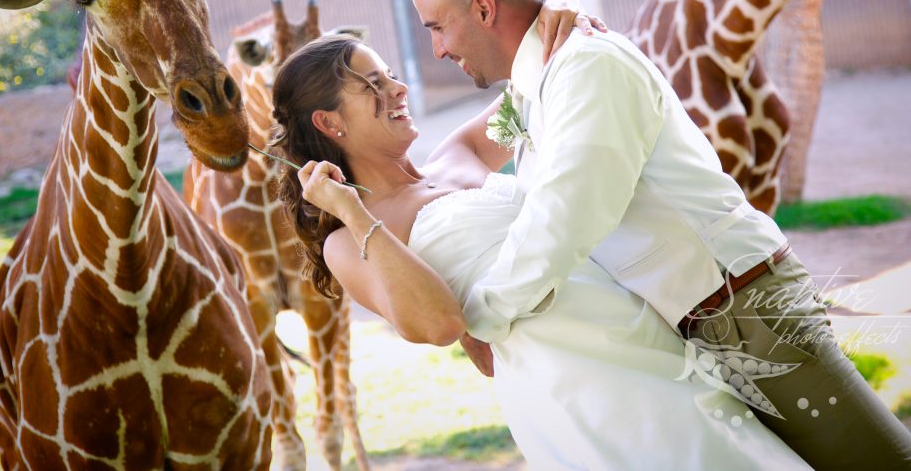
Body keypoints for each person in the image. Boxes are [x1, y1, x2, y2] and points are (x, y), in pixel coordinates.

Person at [409, 0, 911, 471]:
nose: (437, 49)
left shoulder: (586, 68)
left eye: (437, 27)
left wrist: (477, 319)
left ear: (482, 8)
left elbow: (563, 220)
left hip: (745, 310)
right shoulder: (536, 82)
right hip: (704, 321)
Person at [270, 32, 810, 470]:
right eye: (373, 83)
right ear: (330, 122)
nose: (398, 86)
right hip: (573, 384)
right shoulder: (350, 238)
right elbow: (437, 323)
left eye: (390, 72)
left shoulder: (457, 155)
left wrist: (557, 9)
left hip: (644, 332)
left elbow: (546, 80)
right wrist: (354, 212)